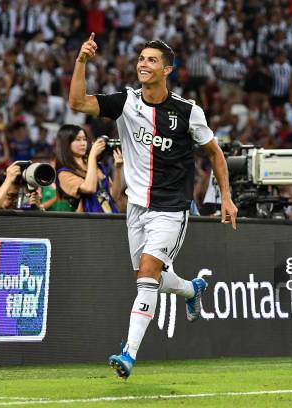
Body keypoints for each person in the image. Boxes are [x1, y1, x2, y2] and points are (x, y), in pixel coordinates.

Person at [69, 35, 238, 378]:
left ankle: (128, 354)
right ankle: (192, 289)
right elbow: (77, 103)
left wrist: (227, 197)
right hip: (136, 207)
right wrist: (81, 62)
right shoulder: (125, 102)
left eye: (151, 60)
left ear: (167, 69)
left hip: (171, 208)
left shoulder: (188, 112)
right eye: (141, 59)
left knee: (147, 276)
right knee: (151, 279)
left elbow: (215, 154)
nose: (143, 65)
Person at [54, 124, 125, 213]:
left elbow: (114, 196)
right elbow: (89, 188)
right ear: (66, 143)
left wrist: (117, 168)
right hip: (88, 222)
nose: (83, 143)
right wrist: (92, 156)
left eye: (84, 139)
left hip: (109, 218)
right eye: (78, 139)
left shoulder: (98, 165)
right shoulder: (64, 174)